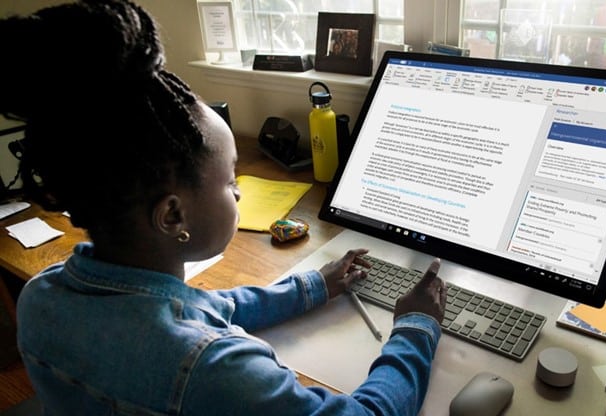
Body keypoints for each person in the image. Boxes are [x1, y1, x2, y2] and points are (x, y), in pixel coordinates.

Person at [2, 1, 448, 414]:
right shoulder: (212, 366)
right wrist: (415, 328)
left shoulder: (41, 297)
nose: (237, 192)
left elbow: (203, 306)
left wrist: (310, 286)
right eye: (231, 179)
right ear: (172, 216)